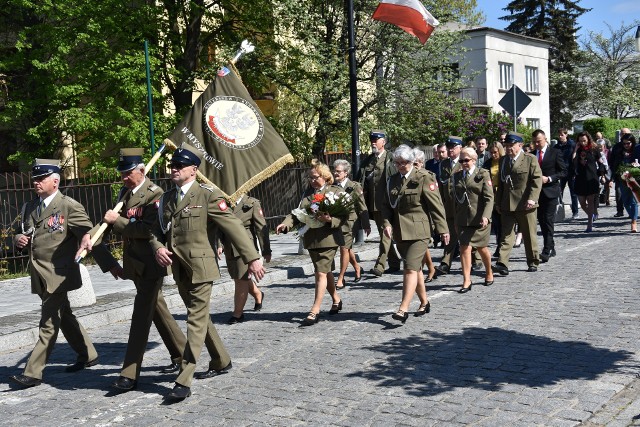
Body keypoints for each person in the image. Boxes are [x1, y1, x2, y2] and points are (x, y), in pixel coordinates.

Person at [152, 144, 265, 401]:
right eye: (172, 166)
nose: (174, 169)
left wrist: (252, 258)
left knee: (194, 320)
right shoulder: (168, 199)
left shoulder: (208, 195)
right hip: (180, 268)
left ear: (194, 170)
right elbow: (156, 231)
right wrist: (158, 247)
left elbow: (234, 227)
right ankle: (221, 359)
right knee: (200, 318)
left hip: (202, 268)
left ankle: (184, 377)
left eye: (180, 166)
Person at [10, 160, 121, 388]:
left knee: (48, 321)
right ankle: (88, 354)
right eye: (35, 179)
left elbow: (92, 236)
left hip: (59, 274)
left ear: (55, 181)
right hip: (40, 273)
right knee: (64, 315)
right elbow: (22, 233)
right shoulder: (30, 206)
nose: (36, 183)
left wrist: (110, 264)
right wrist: (17, 240)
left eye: (41, 179)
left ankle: (33, 372)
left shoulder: (68, 206)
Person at [95, 148, 188, 392]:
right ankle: (183, 356)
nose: (124, 178)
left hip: (151, 264)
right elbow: (110, 222)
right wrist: (95, 238)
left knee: (140, 318)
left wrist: (119, 222)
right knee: (158, 311)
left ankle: (129, 373)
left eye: (128, 173)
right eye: (122, 173)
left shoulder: (155, 194)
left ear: (142, 170)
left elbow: (148, 231)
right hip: (134, 265)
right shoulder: (125, 193)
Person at [381, 145, 449, 323]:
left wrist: (443, 229)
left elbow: (436, 205)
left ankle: (403, 309)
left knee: (410, 268)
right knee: (416, 269)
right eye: (398, 163)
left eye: (405, 163)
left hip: (419, 230)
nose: (401, 166)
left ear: (412, 162)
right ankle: (424, 302)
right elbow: (386, 207)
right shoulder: (392, 180)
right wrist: (387, 224)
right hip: (400, 232)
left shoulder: (424, 177)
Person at [276, 160, 348, 326]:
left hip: (328, 239)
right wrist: (285, 224)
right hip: (312, 240)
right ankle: (336, 299)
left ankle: (314, 310)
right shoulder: (308, 196)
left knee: (320, 273)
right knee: (325, 271)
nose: (312, 180)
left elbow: (346, 215)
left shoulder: (335, 192)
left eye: (315, 177)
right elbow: (297, 214)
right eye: (310, 177)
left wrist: (330, 219)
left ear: (325, 177)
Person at [492, 132, 542, 275]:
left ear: (520, 145)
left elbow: (536, 180)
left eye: (511, 145)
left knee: (528, 234)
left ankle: (533, 261)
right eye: (506, 145)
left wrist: (532, 199)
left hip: (525, 203)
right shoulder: (503, 161)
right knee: (506, 234)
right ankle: (502, 262)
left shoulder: (530, 159)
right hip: (507, 203)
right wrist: (498, 202)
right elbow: (501, 184)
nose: (508, 148)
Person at [221, 193, 272, 324]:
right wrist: (219, 244)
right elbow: (218, 226)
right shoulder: (222, 202)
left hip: (246, 248)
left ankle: (237, 314)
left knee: (240, 280)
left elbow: (261, 228)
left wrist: (266, 249)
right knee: (240, 277)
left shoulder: (252, 203)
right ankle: (258, 294)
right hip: (229, 247)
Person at [357, 130, 400, 276]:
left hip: (387, 203)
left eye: (377, 139)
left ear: (384, 141)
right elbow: (360, 180)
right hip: (374, 204)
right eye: (372, 140)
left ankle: (380, 265)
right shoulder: (368, 160)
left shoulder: (391, 159)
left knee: (385, 234)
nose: (373, 142)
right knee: (384, 235)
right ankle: (394, 263)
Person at [451, 147, 494, 292]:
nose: (463, 163)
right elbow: (456, 201)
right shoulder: (457, 176)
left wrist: (486, 216)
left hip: (480, 218)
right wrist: (456, 220)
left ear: (474, 160)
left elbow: (489, 198)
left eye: (466, 160)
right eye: (461, 160)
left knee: (482, 248)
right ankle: (466, 280)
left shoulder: (483, 174)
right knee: (464, 248)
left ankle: (489, 271)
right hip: (463, 218)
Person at [332, 159, 370, 289]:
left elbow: (362, 206)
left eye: (338, 171)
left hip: (349, 224)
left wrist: (366, 224)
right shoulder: (331, 186)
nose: (335, 173)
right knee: (347, 249)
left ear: (346, 173)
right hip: (335, 223)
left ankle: (341, 278)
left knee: (343, 249)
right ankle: (357, 268)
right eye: (334, 171)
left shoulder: (354, 186)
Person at [532, 130, 567, 262]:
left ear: (545, 139)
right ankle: (551, 247)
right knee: (541, 220)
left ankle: (546, 250)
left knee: (548, 219)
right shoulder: (531, 154)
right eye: (534, 142)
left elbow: (563, 171)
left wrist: (550, 178)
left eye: (539, 141)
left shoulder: (555, 152)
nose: (537, 144)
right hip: (537, 192)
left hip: (551, 191)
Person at [435, 136, 463, 275]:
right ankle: (446, 263)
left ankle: (476, 259)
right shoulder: (443, 164)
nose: (451, 149)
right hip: (449, 206)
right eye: (449, 147)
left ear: (460, 148)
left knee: (466, 235)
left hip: (463, 206)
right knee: (450, 235)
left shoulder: (465, 162)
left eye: (454, 147)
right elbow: (441, 185)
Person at [413, 148, 437, 282]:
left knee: (423, 244)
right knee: (422, 245)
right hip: (414, 217)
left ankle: (428, 268)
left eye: (416, 164)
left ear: (421, 163)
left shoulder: (428, 176)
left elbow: (434, 200)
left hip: (426, 216)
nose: (414, 167)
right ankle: (427, 268)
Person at [573, 131, 605, 232]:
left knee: (590, 201)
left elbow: (601, 162)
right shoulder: (577, 150)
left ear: (588, 140)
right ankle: (592, 216)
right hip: (580, 178)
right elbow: (572, 161)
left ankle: (589, 224)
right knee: (582, 203)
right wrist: (575, 149)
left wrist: (603, 175)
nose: (583, 143)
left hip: (592, 178)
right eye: (580, 141)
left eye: (584, 141)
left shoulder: (594, 149)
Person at [484, 142, 504, 257]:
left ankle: (502, 246)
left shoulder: (504, 161)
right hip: (491, 194)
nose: (493, 155)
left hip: (502, 193)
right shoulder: (488, 163)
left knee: (502, 223)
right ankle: (498, 244)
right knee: (496, 223)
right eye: (491, 153)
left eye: (495, 152)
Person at [556, 128, 579, 219]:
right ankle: (558, 211)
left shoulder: (572, 145)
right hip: (561, 172)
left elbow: (575, 159)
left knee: (573, 193)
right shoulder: (557, 146)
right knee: (559, 192)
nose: (560, 136)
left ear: (566, 135)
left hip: (571, 171)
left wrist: (575, 172)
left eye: (562, 134)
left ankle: (575, 212)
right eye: (559, 135)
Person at [617, 133, 638, 232]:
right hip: (622, 179)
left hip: (634, 178)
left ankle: (634, 222)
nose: (626, 145)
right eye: (624, 143)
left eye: (628, 143)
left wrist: (636, 164)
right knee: (625, 201)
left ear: (632, 142)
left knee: (633, 201)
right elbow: (614, 163)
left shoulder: (637, 150)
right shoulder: (619, 151)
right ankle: (633, 215)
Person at [610, 128, 632, 217]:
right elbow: (612, 159)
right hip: (619, 172)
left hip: (631, 173)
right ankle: (620, 210)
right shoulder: (617, 146)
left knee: (631, 192)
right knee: (618, 192)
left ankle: (632, 212)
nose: (624, 135)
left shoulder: (634, 146)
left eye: (626, 133)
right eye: (622, 134)